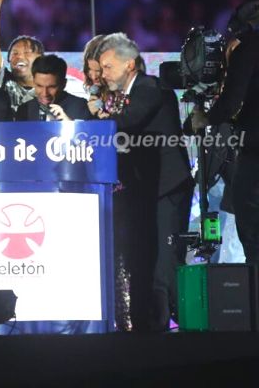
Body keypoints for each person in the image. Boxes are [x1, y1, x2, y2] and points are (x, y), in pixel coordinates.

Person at [97, 32, 192, 332]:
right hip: (147, 187)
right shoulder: (130, 94)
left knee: (165, 256)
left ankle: (163, 323)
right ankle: (149, 322)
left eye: (108, 67)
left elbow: (128, 121)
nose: (103, 74)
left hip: (168, 186)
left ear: (129, 65)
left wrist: (92, 123)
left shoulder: (150, 88)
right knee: (147, 253)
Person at [193, 0, 259, 266]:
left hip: (255, 152)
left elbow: (232, 101)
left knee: (252, 231)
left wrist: (206, 118)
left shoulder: (250, 47)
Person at [15, 54, 92, 121]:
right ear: (34, 82)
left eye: (51, 87)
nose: (45, 93)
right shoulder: (24, 110)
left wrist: (69, 124)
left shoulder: (80, 107)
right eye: (39, 86)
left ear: (63, 84)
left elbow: (86, 133)